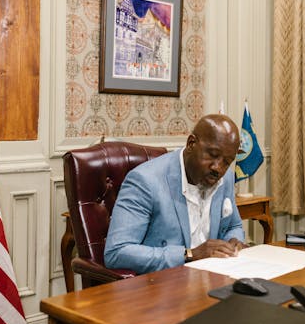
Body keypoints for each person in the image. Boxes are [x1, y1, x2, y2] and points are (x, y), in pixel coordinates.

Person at [104, 114, 247, 274]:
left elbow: (234, 226)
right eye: (212, 155)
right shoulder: (146, 180)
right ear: (191, 143)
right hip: (163, 285)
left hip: (214, 277)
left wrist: (234, 242)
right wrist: (190, 254)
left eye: (227, 161)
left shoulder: (225, 177)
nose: (218, 168)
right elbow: (117, 252)